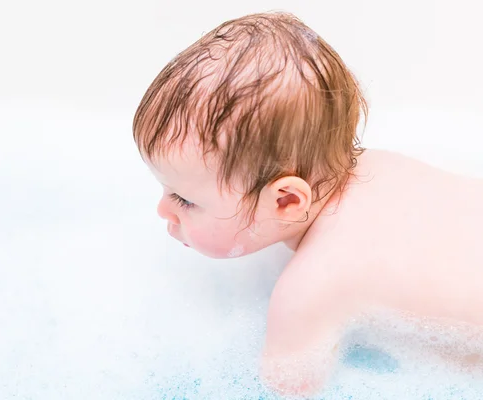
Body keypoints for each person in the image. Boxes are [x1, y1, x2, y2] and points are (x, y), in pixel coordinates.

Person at [132, 11, 483, 396]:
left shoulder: (308, 290)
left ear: (286, 201)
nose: (163, 210)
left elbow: (281, 391)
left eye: (184, 199)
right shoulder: (380, 164)